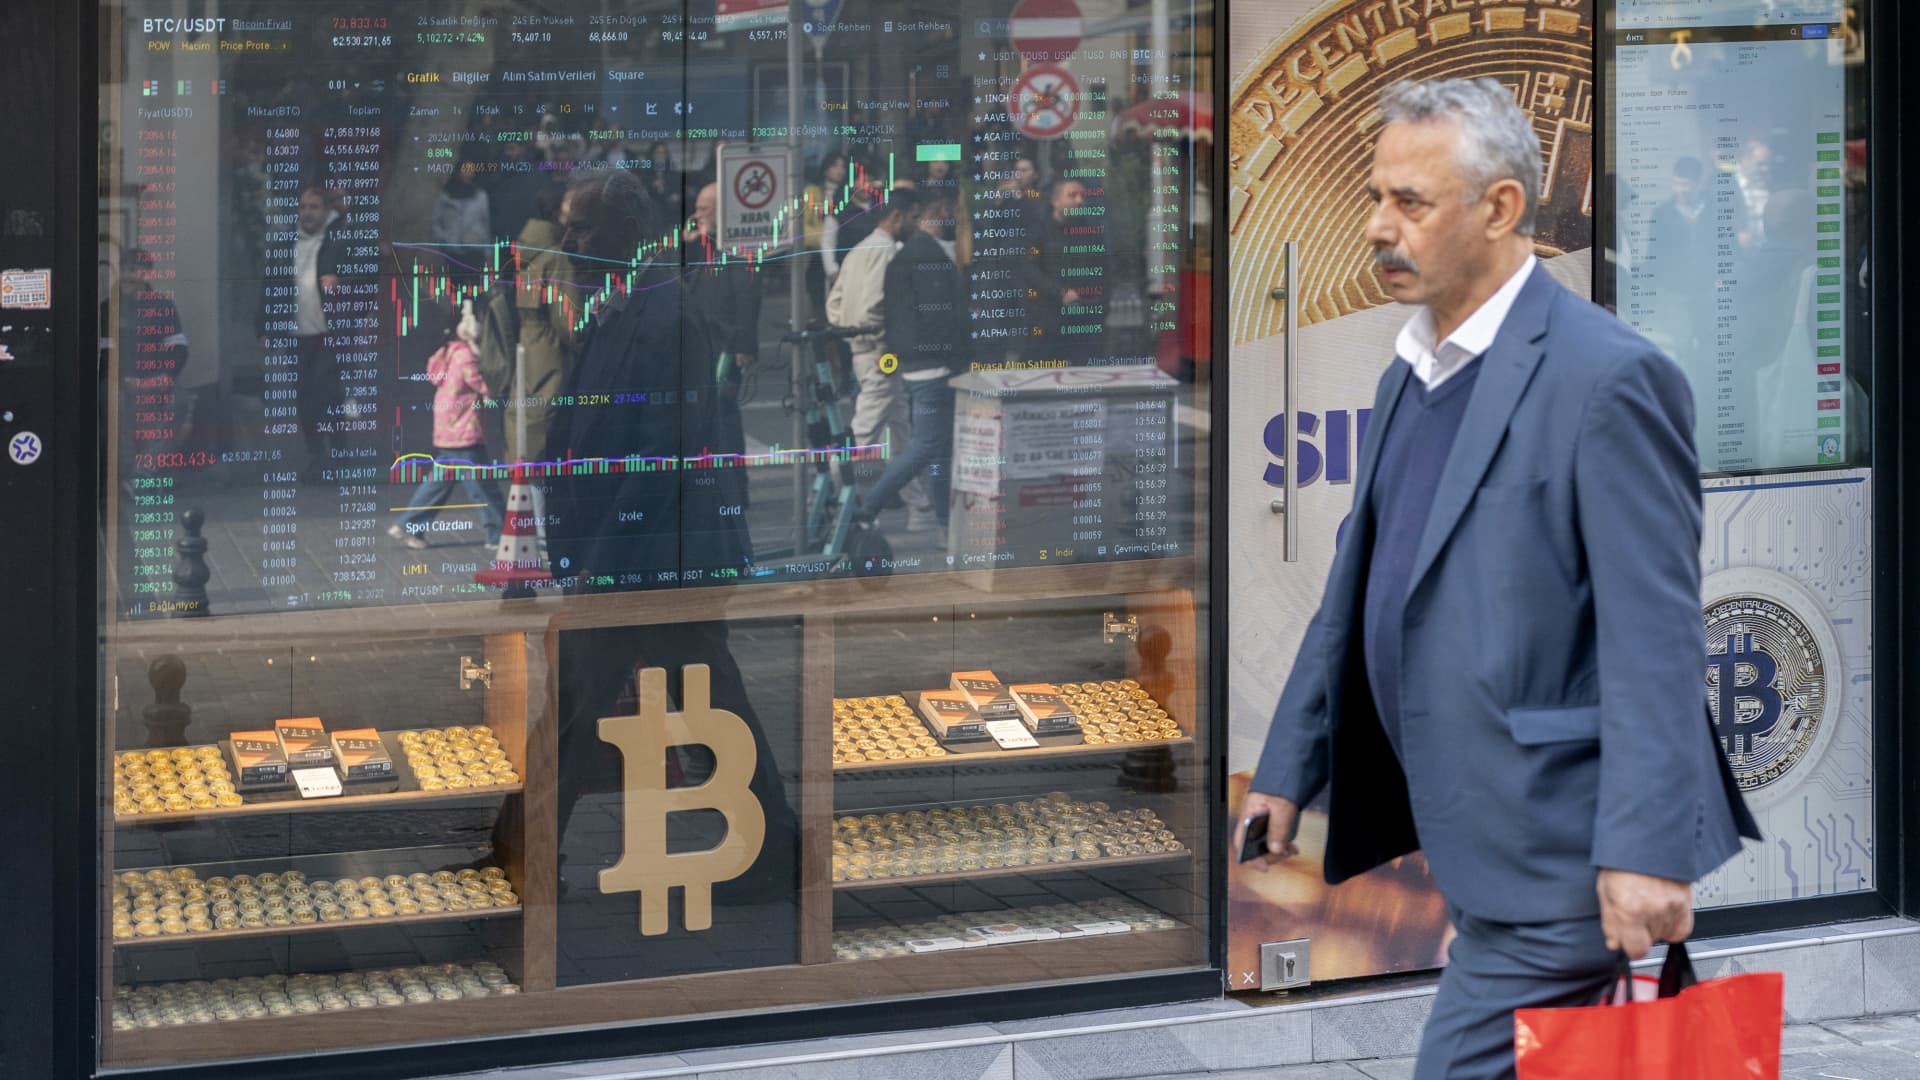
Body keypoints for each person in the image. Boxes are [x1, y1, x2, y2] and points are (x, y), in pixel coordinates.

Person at [1234, 78, 1759, 1080]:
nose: (1378, 226)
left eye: (1410, 203)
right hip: (1475, 836)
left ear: (1502, 209)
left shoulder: (1608, 379)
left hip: (1562, 856)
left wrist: (1647, 853)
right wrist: (1289, 768)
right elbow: (1359, 585)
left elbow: (1654, 639)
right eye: (1375, 197)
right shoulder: (1407, 375)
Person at [856, 188, 966, 533]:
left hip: (916, 364)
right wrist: (956, 355)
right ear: (942, 210)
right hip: (935, 366)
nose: (958, 220)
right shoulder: (927, 256)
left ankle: (948, 527)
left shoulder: (902, 257)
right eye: (955, 212)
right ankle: (868, 507)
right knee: (927, 447)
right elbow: (941, 317)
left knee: (940, 451)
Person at [826, 188, 931, 523]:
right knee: (868, 427)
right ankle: (828, 485)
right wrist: (880, 337)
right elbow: (875, 304)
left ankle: (918, 500)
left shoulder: (858, 250)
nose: (916, 224)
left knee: (899, 425)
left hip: (863, 349)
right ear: (897, 216)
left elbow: (835, 302)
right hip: (882, 352)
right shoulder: (888, 253)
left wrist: (851, 331)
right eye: (913, 217)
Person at [388, 299, 507, 551]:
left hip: (447, 432)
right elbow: (482, 385)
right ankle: (498, 533)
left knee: (438, 483)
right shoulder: (466, 356)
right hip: (465, 432)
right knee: (483, 486)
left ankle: (409, 526)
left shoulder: (447, 352)